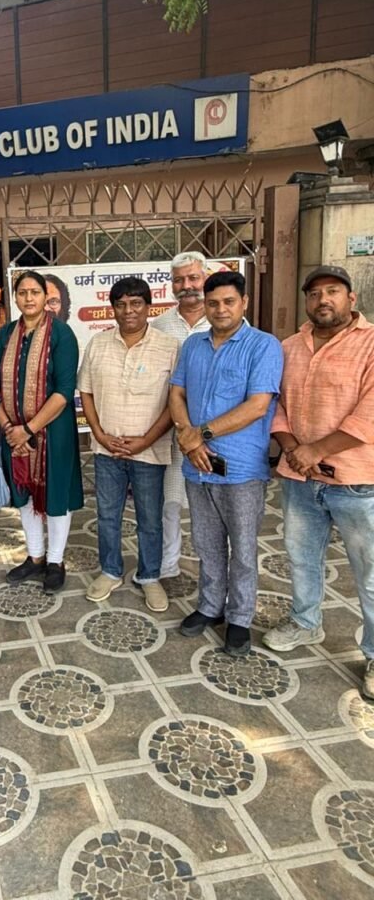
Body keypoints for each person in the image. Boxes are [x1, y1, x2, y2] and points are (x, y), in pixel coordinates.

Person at [263, 265, 374, 699]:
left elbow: (369, 413)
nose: (323, 300)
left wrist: (318, 450)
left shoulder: (370, 343)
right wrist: (294, 447)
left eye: (333, 291)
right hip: (300, 477)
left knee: (369, 572)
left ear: (351, 298)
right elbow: (275, 403)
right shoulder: (290, 346)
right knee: (301, 557)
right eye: (314, 294)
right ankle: (306, 622)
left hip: (356, 480)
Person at [169, 271, 283, 656]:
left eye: (229, 302)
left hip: (241, 468)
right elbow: (177, 393)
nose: (220, 309)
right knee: (206, 542)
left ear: (244, 303)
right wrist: (188, 438)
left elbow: (258, 406)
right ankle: (210, 606)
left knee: (244, 547)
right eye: (213, 302)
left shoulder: (263, 346)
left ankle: (240, 618)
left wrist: (200, 434)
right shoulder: (193, 345)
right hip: (197, 465)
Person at [79, 277, 179, 613]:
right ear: (113, 309)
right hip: (106, 450)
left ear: (149, 306)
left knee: (150, 519)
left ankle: (149, 576)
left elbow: (175, 401)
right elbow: (86, 392)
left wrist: (145, 441)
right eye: (120, 304)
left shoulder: (169, 346)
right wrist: (99, 433)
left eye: (136, 303)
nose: (128, 311)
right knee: (108, 516)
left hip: (150, 451)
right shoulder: (98, 344)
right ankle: (110, 571)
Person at [0, 270, 83, 594]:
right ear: (15, 297)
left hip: (53, 434)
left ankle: (55, 561)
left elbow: (64, 391)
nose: (28, 298)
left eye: (35, 292)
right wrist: (9, 428)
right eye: (22, 292)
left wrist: (29, 429)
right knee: (24, 494)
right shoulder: (5, 335)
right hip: (12, 434)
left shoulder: (62, 335)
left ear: (45, 297)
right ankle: (35, 557)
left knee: (55, 495)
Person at [153, 252, 211, 578]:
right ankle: (168, 565)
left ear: (206, 278)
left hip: (217, 435)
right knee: (170, 502)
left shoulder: (226, 321)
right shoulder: (160, 326)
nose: (186, 285)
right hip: (172, 433)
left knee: (214, 507)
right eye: (179, 280)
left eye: (193, 278)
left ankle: (215, 570)